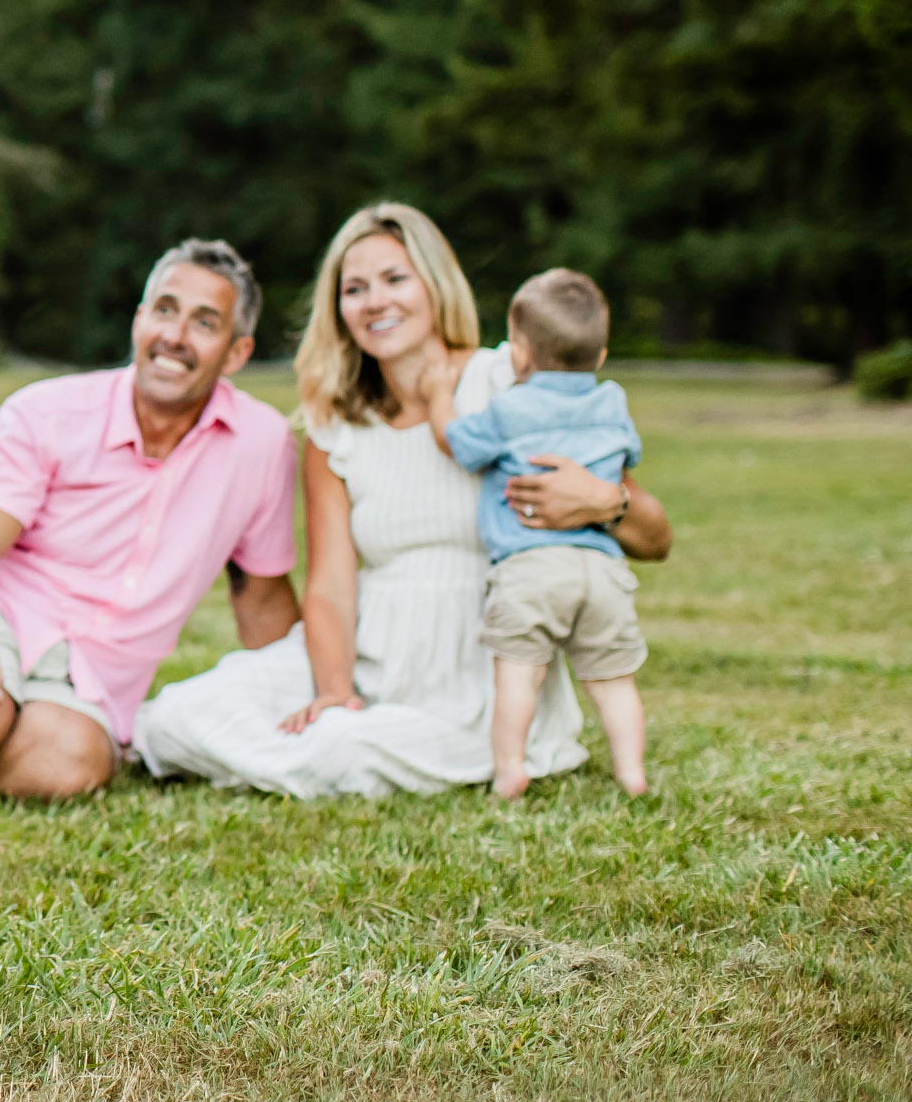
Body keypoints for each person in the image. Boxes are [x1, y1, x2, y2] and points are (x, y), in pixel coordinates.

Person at [135, 204, 672, 797]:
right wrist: (336, 692)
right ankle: (326, 741)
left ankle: (376, 752)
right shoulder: (334, 424)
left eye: (395, 279)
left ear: (434, 284)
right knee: (174, 718)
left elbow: (656, 538)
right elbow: (331, 585)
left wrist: (605, 502)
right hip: (374, 647)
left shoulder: (507, 381)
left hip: (482, 658)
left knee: (341, 751)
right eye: (354, 288)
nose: (374, 302)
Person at [0, 240, 302, 799]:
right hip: (5, 619)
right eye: (164, 310)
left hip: (97, 682)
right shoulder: (46, 411)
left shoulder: (263, 444)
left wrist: (303, 694)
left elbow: (261, 597)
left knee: (67, 767)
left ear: (237, 353)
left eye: (204, 323)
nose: (175, 336)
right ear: (140, 319)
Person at [421, 268, 649, 798]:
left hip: (529, 565)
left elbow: (454, 442)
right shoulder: (612, 400)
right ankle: (632, 773)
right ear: (600, 355)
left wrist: (438, 394)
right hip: (601, 566)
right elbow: (628, 455)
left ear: (519, 352)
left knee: (519, 676)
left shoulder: (508, 408)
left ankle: (510, 769)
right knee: (614, 679)